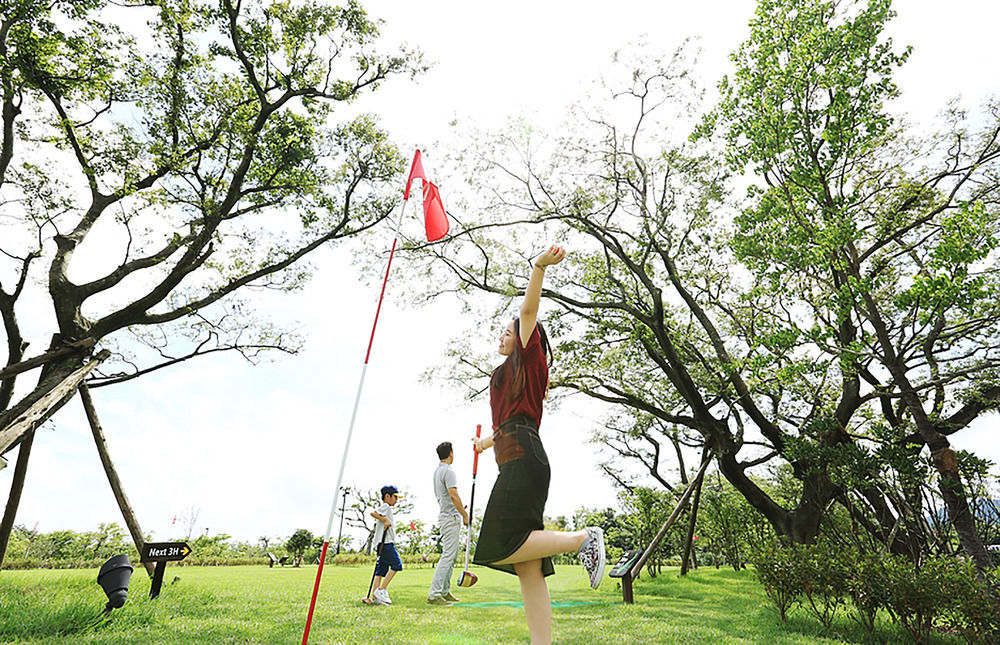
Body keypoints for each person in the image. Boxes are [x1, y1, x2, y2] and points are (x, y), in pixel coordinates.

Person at [472, 244, 606, 645]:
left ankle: (583, 539)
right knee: (528, 567)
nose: (504, 333)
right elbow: (513, 419)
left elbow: (529, 312)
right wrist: (485, 442)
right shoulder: (509, 373)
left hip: (523, 460)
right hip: (521, 454)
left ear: (525, 340)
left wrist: (538, 268)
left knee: (499, 547)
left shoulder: (526, 358)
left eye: (508, 331)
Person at [427, 441, 470, 606]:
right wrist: (464, 514)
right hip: (450, 518)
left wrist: (459, 509)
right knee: (447, 556)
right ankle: (434, 594)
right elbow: (453, 495)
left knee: (451, 556)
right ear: (451, 453)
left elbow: (450, 498)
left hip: (447, 516)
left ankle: (444, 591)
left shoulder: (438, 471)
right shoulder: (448, 471)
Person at [364, 485, 403, 606]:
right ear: (387, 496)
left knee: (381, 571)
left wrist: (384, 520)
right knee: (397, 565)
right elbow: (373, 513)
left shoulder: (387, 508)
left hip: (381, 544)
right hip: (386, 543)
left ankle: (375, 597)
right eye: (395, 497)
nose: (396, 500)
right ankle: (381, 590)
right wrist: (385, 520)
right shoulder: (386, 507)